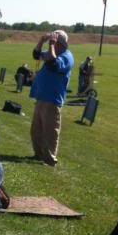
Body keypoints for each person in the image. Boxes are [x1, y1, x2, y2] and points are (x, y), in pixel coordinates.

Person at [29, 30, 74, 166]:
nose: (50, 42)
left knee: (50, 131)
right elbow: (36, 55)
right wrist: (41, 41)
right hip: (42, 97)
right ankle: (38, 155)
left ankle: (49, 159)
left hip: (52, 99)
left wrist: (51, 46)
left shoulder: (67, 56)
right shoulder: (53, 51)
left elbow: (53, 64)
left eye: (53, 41)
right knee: (36, 130)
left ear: (60, 43)